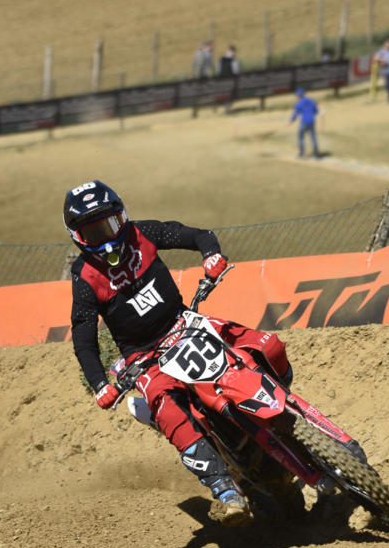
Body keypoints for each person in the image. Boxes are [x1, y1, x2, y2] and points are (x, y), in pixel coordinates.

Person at [63, 180, 292, 527]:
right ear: (77, 237)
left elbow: (198, 235)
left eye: (109, 224)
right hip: (143, 357)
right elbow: (84, 339)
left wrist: (211, 254)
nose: (106, 238)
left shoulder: (143, 233)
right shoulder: (84, 277)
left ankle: (285, 407)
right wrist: (99, 384)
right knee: (167, 408)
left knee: (267, 345)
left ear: (122, 217)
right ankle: (225, 490)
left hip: (185, 323)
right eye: (93, 232)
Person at [289, 87, 320, 158]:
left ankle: (302, 153)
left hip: (304, 122)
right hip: (311, 121)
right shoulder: (312, 101)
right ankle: (316, 154)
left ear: (298, 95)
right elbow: (316, 111)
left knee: (301, 137)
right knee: (313, 137)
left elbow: (296, 114)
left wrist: (291, 120)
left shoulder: (299, 103)